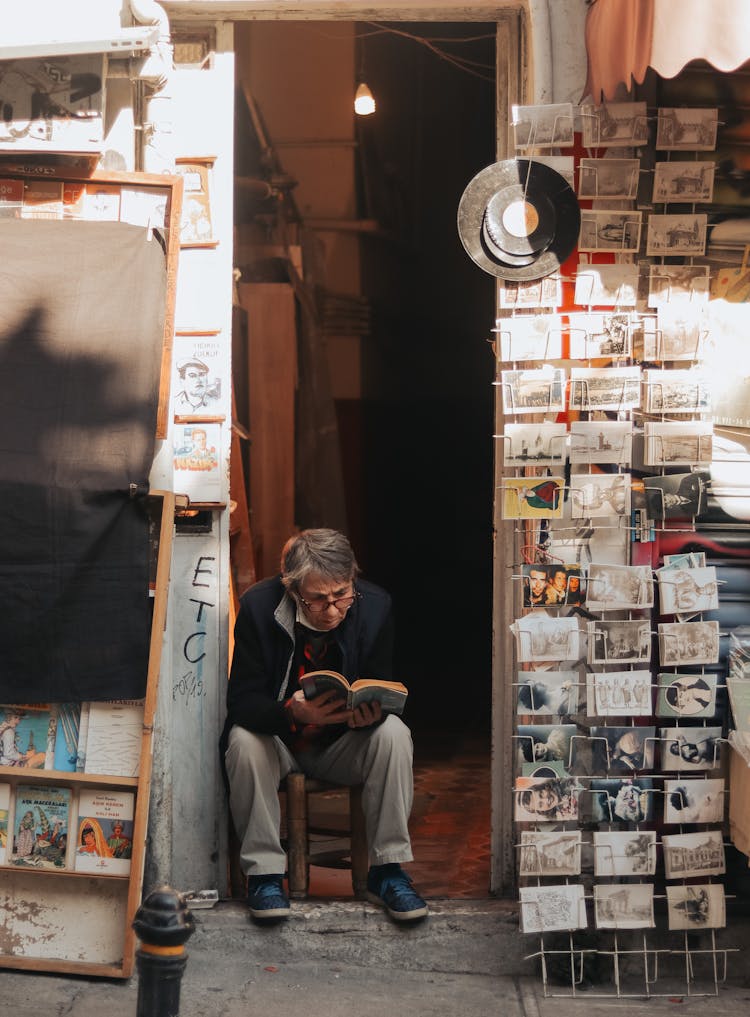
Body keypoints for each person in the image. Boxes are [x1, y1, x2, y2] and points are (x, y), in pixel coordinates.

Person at [221, 528, 427, 923]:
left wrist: (372, 714)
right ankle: (264, 876)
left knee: (394, 735)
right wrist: (291, 713)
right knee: (243, 740)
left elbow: (381, 684)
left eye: (342, 595)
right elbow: (241, 703)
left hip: (341, 746)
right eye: (318, 600)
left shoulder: (376, 606)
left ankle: (388, 871)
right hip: (279, 745)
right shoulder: (259, 608)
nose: (333, 610)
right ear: (294, 589)